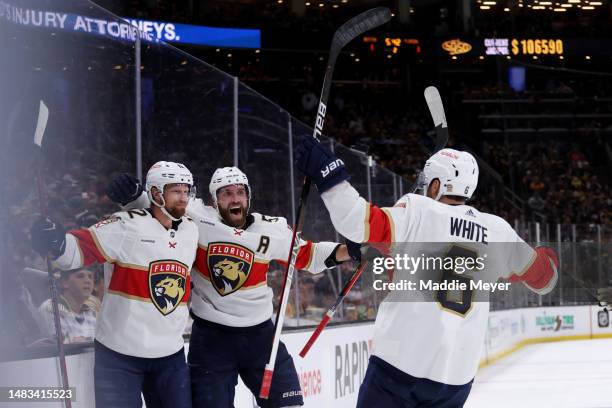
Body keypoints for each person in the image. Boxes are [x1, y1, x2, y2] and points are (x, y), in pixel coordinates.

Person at [295, 139, 559, 408]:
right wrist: (545, 257)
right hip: (455, 380)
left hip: (399, 367)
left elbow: (355, 220)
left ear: (436, 185)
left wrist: (330, 173)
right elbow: (544, 280)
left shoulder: (418, 210)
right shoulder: (498, 230)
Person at [108, 166, 360, 407]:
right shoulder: (197, 218)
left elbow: (310, 255)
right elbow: (163, 206)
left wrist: (349, 250)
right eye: (226, 193)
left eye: (240, 192)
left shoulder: (272, 229)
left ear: (249, 197)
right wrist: (134, 194)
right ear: (214, 200)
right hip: (212, 340)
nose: (235, 198)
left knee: (289, 404)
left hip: (260, 337)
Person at [31, 161, 198, 408]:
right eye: (176, 191)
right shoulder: (124, 225)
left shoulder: (192, 229)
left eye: (186, 191)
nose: (183, 198)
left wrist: (137, 196)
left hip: (170, 356)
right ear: (155, 193)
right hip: (119, 357)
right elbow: (76, 251)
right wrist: (55, 242)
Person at [38, 267, 100, 343]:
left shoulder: (92, 312)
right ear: (65, 282)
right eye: (80, 276)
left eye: (90, 277)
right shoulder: (51, 308)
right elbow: (60, 345)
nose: (88, 281)